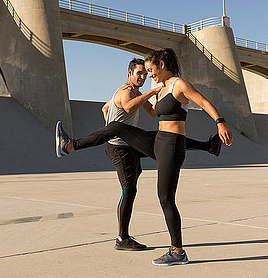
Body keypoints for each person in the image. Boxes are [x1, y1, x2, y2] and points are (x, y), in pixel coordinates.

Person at [56, 48, 233, 266]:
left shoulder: (179, 85)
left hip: (172, 145)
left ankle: (177, 251)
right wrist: (140, 93)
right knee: (116, 127)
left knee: (165, 199)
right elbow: (148, 111)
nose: (149, 75)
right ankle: (69, 146)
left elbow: (204, 102)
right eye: (145, 71)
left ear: (162, 64)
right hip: (159, 141)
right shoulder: (160, 88)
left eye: (151, 70)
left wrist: (220, 122)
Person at [100, 58, 222, 252]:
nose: (143, 76)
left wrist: (154, 98)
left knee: (164, 140)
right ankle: (122, 237)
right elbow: (130, 107)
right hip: (119, 148)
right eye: (139, 73)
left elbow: (108, 109)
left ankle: (207, 146)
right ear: (129, 73)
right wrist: (116, 130)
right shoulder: (125, 92)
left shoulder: (136, 93)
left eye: (145, 72)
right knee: (129, 191)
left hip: (129, 144)